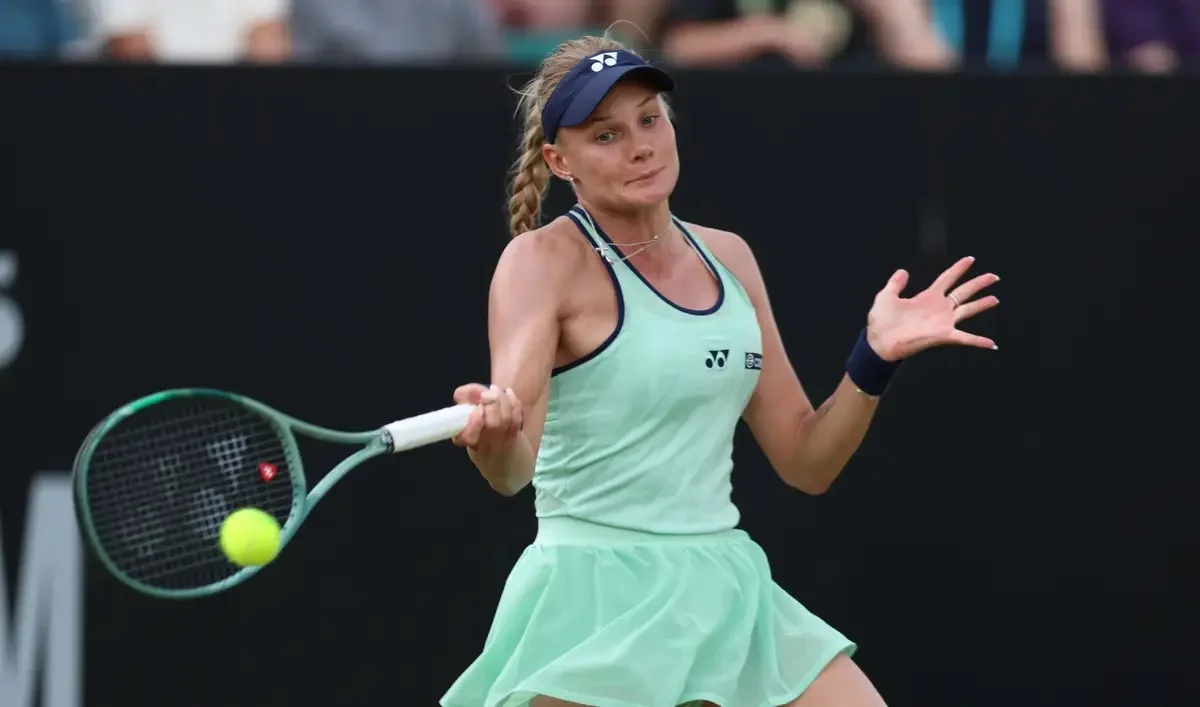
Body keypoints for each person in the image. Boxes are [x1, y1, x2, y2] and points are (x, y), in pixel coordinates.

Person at [441, 33, 1000, 707]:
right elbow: (511, 470)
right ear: (561, 161)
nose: (641, 146)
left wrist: (872, 359)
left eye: (650, 119)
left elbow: (807, 460)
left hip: (724, 586)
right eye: (607, 135)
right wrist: (496, 434)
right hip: (593, 595)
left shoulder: (729, 257)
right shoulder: (539, 262)